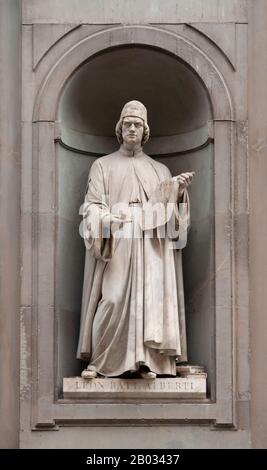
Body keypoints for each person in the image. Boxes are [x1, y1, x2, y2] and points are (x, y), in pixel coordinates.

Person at [77, 100, 194, 379]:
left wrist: (177, 193)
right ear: (119, 129)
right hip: (118, 238)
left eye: (137, 124)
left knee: (151, 300)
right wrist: (105, 220)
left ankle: (148, 362)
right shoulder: (102, 166)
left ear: (145, 131)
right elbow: (92, 205)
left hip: (150, 243)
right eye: (127, 123)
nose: (132, 128)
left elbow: (173, 222)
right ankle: (101, 360)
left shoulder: (160, 170)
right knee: (114, 298)